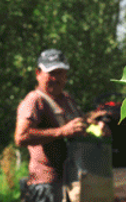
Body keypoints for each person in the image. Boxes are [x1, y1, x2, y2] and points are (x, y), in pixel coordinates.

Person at [15, 49, 86, 202]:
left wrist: (96, 124)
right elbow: (21, 137)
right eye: (51, 73)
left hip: (72, 181)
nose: (56, 78)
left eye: (60, 72)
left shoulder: (67, 99)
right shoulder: (34, 100)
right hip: (46, 185)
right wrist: (62, 132)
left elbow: (80, 124)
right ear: (38, 73)